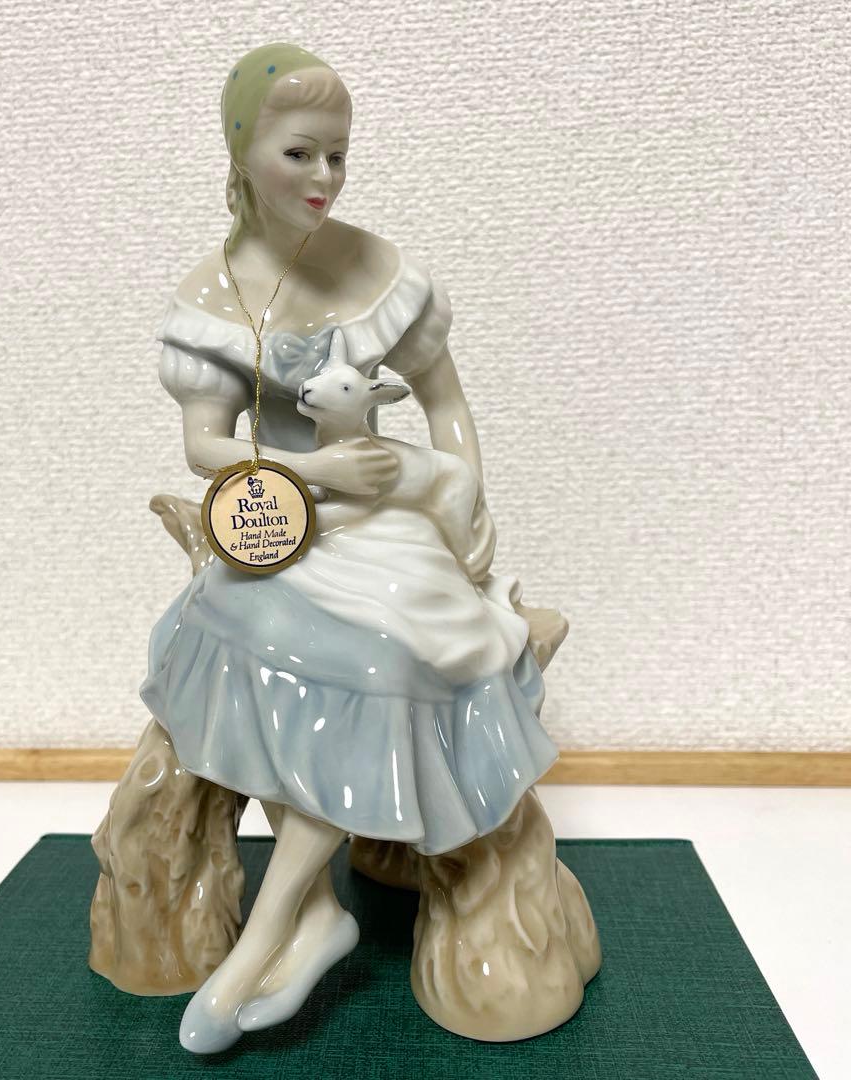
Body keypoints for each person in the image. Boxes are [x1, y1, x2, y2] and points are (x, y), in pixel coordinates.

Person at [138, 42, 559, 1053]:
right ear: (242, 151)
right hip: (287, 520)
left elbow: (446, 406)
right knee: (231, 640)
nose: (324, 177)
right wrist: (313, 470)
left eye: (338, 155)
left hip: (392, 522)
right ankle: (311, 914)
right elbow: (203, 447)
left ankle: (275, 928)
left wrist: (462, 513)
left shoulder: (379, 272)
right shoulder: (212, 298)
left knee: (381, 666)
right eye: (300, 154)